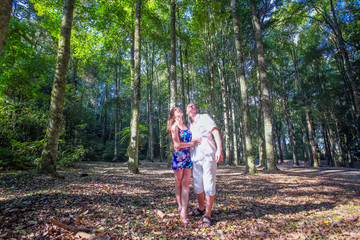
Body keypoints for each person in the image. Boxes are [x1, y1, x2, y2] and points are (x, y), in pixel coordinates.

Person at [186, 103, 223, 228]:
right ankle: (201, 208)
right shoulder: (188, 125)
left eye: (193, 105)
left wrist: (219, 149)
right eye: (188, 106)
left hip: (208, 156)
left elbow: (215, 132)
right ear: (186, 112)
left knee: (209, 184)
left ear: (197, 109)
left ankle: (207, 214)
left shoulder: (204, 117)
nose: (191, 106)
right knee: (197, 186)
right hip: (195, 159)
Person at [167, 107, 202, 225]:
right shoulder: (174, 127)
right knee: (178, 182)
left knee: (186, 183)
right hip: (179, 157)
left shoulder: (187, 126)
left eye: (179, 109)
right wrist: (192, 143)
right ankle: (180, 206)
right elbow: (176, 145)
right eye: (176, 110)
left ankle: (184, 211)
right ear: (173, 116)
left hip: (188, 156)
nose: (179, 110)